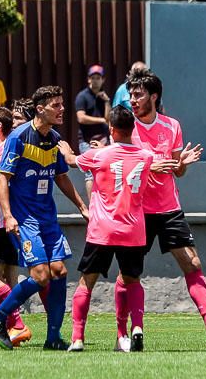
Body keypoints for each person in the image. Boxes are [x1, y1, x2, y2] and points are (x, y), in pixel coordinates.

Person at [125, 68, 206, 347]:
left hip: (169, 209)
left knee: (192, 263)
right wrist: (148, 165)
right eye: (131, 94)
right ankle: (129, 331)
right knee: (129, 273)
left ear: (153, 97)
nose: (132, 99)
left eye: (138, 94)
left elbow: (176, 172)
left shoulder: (172, 126)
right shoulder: (126, 128)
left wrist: (182, 165)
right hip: (137, 210)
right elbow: (119, 164)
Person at [0, 86, 89, 351]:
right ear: (40, 109)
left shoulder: (53, 138)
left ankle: (53, 337)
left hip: (47, 218)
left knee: (60, 271)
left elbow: (61, 176)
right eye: (56, 105)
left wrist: (81, 206)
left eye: (62, 104)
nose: (62, 109)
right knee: (41, 275)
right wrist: (7, 216)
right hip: (25, 219)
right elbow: (3, 178)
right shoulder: (19, 137)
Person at [57, 106, 154, 352]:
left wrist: (67, 150)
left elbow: (71, 161)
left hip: (103, 229)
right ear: (132, 129)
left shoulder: (98, 156)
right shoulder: (145, 156)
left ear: (111, 129)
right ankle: (137, 328)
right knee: (133, 282)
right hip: (133, 230)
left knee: (86, 283)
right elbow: (129, 158)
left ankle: (77, 338)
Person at [0, 106, 32, 348]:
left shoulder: (4, 149)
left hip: (5, 222)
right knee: (8, 278)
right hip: (10, 221)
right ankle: (8, 333)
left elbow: (1, 181)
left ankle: (18, 324)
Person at [75, 64, 111, 200]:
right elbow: (81, 117)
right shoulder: (82, 96)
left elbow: (108, 119)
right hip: (87, 140)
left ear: (103, 80)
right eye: (93, 77)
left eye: (98, 77)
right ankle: (92, 207)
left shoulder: (103, 97)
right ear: (88, 79)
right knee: (90, 172)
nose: (95, 80)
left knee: (105, 171)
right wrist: (100, 120)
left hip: (104, 140)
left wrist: (107, 102)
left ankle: (105, 203)